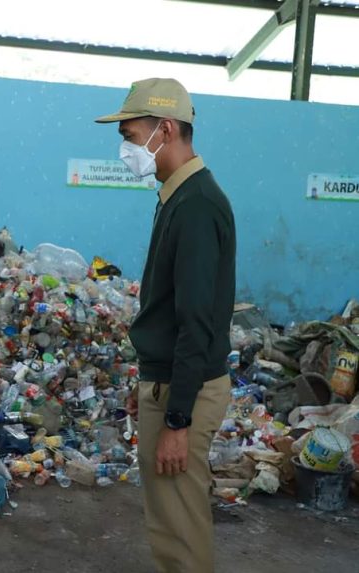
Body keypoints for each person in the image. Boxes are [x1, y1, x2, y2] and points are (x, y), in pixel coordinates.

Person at [95, 78, 236, 573]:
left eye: (132, 137)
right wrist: (149, 377)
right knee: (169, 519)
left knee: (179, 527)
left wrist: (177, 419)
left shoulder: (195, 204)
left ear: (167, 129)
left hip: (186, 393)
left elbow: (197, 322)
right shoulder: (177, 195)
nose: (126, 150)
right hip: (170, 381)